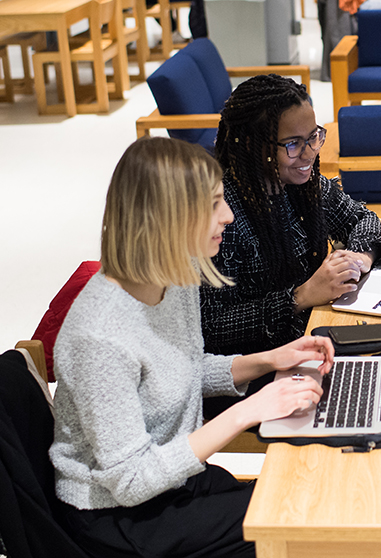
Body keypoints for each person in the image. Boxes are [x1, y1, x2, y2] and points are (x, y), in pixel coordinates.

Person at [50, 137, 334, 557]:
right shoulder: (100, 337)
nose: (229, 216)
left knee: (309, 494)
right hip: (119, 517)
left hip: (177, 479)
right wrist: (249, 411)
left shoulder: (174, 275)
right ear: (169, 218)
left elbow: (182, 370)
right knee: (302, 522)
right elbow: (130, 482)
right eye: (214, 204)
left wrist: (270, 360)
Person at [201, 74, 381, 361]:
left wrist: (360, 257)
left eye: (314, 137)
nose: (310, 153)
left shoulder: (304, 186)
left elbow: (362, 218)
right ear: (254, 146)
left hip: (312, 335)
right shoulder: (221, 217)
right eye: (293, 144)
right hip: (261, 366)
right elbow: (212, 327)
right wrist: (299, 298)